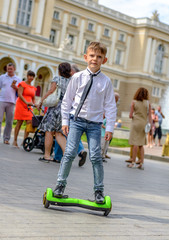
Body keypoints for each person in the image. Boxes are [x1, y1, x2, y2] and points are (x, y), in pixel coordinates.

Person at [53, 42, 117, 204]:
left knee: (96, 156)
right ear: (85, 57)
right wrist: (65, 121)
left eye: (99, 57)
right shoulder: (77, 77)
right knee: (69, 153)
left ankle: (99, 191)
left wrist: (109, 127)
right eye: (92, 56)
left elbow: (110, 106)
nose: (95, 59)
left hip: (95, 125)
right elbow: (67, 101)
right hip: (77, 120)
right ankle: (60, 185)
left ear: (104, 60)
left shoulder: (106, 82)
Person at [51, 64, 88, 166]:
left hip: (67, 109)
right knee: (64, 132)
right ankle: (59, 156)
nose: (69, 73)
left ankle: (63, 155)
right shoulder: (80, 82)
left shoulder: (72, 81)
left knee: (63, 132)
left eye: (71, 71)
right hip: (76, 110)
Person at [37, 63, 71, 162]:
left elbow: (51, 91)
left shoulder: (57, 79)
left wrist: (41, 100)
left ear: (60, 70)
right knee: (59, 133)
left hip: (55, 107)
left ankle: (47, 155)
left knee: (49, 131)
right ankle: (66, 156)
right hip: (65, 109)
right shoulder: (71, 81)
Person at [0, 63, 21, 144]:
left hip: (12, 102)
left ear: (14, 69)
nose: (9, 70)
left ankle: (6, 138)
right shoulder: (2, 77)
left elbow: (20, 92)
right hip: (1, 100)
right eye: (8, 69)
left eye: (11, 69)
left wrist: (16, 88)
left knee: (9, 122)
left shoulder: (18, 79)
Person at [127, 87, 151, 170]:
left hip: (135, 123)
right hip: (143, 124)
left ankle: (133, 162)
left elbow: (130, 116)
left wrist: (134, 115)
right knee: (141, 144)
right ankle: (141, 162)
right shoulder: (148, 103)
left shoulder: (134, 102)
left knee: (135, 144)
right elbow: (150, 116)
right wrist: (150, 126)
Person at [13, 70, 36, 148]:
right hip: (21, 104)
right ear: (27, 76)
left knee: (29, 122)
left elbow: (33, 98)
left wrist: (35, 104)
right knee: (19, 122)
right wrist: (26, 102)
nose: (31, 78)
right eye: (30, 76)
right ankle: (15, 141)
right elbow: (19, 94)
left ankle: (24, 141)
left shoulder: (33, 88)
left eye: (32, 76)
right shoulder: (22, 84)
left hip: (29, 107)